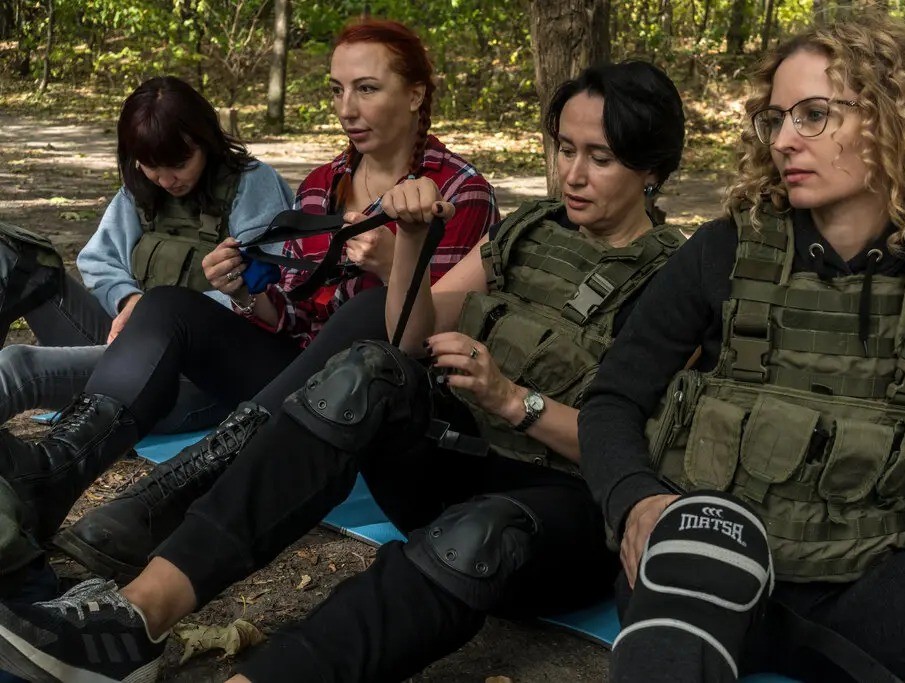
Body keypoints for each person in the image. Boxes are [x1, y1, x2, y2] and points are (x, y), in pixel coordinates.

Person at [0, 59, 687, 683]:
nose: (571, 173)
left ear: (652, 166)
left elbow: (646, 456)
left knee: (476, 532)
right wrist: (412, 244)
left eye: (599, 157)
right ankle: (135, 620)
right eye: (565, 149)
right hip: (459, 458)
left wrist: (516, 402)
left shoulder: (677, 279)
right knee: (366, 366)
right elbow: (411, 332)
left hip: (560, 511)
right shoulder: (530, 230)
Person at [576, 11, 905, 683]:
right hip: (711, 572)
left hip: (875, 590)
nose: (785, 139)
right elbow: (611, 399)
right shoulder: (723, 251)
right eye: (776, 118)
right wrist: (637, 500)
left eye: (813, 114)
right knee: (703, 543)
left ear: (891, 118)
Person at [0, 18, 497, 556]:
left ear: (416, 94)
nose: (347, 109)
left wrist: (393, 267)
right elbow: (293, 314)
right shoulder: (321, 185)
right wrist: (242, 291)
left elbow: (434, 343)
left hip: (377, 398)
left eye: (367, 89)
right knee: (169, 305)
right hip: (289, 372)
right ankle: (57, 474)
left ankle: (166, 497)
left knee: (372, 309)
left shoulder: (458, 193)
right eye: (337, 90)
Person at [0, 76, 293, 436]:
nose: (166, 179)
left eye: (179, 163)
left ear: (206, 141)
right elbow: (97, 260)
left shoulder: (252, 184)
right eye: (151, 165)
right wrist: (130, 300)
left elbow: (276, 293)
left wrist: (154, 320)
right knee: (12, 260)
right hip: (123, 347)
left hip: (194, 379)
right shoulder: (141, 186)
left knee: (17, 366)